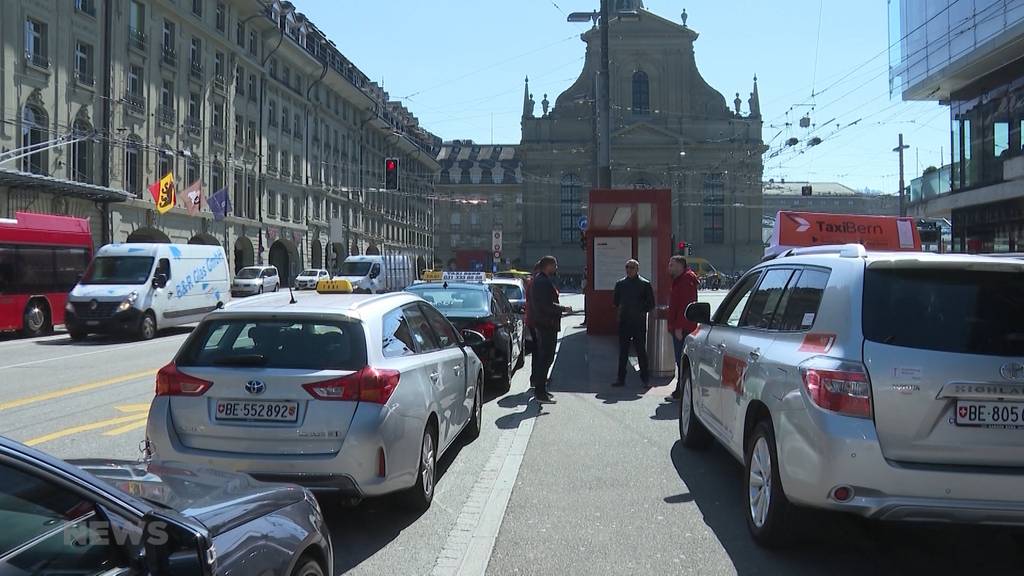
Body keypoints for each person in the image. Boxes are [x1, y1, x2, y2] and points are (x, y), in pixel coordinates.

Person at [528, 256, 567, 403]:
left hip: (544, 323)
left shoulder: (540, 280)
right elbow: (546, 305)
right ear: (548, 266)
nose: (556, 267)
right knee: (546, 357)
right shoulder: (542, 281)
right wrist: (563, 308)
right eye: (554, 265)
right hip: (546, 324)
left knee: (546, 357)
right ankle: (540, 392)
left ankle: (542, 389)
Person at [613, 259, 655, 387]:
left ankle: (645, 379)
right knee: (623, 352)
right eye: (627, 267)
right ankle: (621, 379)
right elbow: (616, 301)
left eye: (632, 267)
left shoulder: (645, 284)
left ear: (637, 269)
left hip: (639, 322)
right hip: (624, 322)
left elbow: (651, 303)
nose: (629, 269)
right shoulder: (620, 284)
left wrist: (640, 310)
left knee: (641, 351)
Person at [667, 255, 700, 400]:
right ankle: (680, 390)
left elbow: (685, 306)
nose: (669, 268)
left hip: (683, 328)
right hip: (681, 326)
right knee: (681, 361)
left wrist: (679, 327)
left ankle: (681, 391)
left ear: (680, 266)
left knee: (681, 361)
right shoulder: (681, 280)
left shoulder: (685, 281)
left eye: (672, 265)